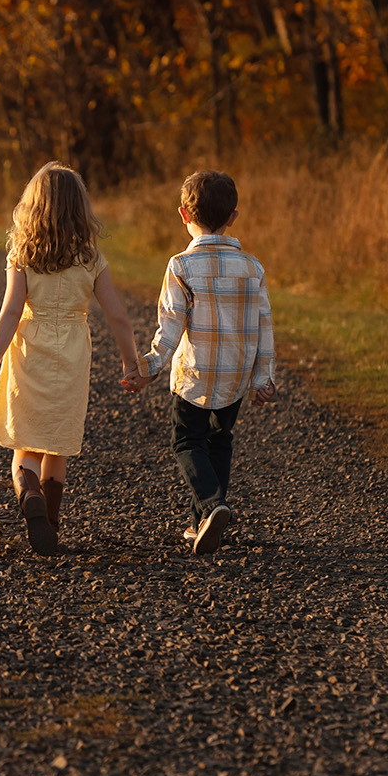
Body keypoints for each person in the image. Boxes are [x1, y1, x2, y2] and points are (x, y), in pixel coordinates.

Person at [0, 162, 144, 556]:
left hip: (30, 348)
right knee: (57, 446)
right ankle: (50, 524)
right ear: (80, 208)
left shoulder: (22, 253)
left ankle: (28, 495)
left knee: (24, 442)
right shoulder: (91, 257)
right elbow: (117, 314)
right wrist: (132, 363)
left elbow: (10, 313)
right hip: (73, 352)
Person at [123, 169, 276, 555]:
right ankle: (203, 524)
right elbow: (264, 325)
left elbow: (170, 327)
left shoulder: (180, 266)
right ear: (232, 218)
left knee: (186, 440)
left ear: (183, 215)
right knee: (219, 441)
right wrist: (263, 378)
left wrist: (149, 368)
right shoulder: (252, 268)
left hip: (195, 375)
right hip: (236, 377)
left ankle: (212, 505)